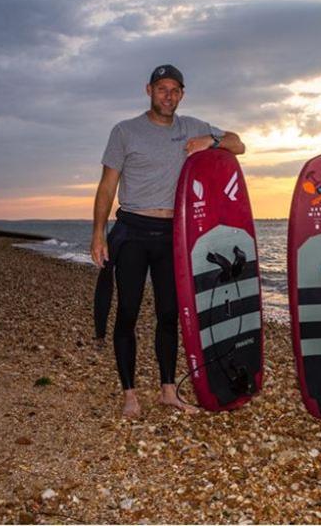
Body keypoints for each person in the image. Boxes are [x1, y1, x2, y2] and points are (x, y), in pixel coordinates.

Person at [91, 64, 245, 418]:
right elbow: (107, 186)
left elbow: (240, 144)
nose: (169, 96)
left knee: (169, 314)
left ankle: (167, 390)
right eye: (162, 89)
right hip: (131, 231)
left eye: (175, 90)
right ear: (149, 91)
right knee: (127, 312)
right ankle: (129, 393)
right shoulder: (125, 131)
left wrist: (214, 141)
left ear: (182, 94)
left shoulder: (192, 126)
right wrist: (98, 233)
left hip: (173, 235)